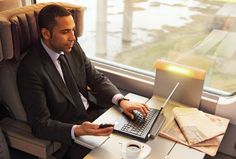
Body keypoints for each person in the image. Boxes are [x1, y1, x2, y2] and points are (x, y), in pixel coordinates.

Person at [17, 4, 148, 159]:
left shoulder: (73, 47)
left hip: (95, 114)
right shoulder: (31, 69)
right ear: (46, 33)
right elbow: (40, 124)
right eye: (65, 31)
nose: (73, 37)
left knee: (140, 139)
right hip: (71, 136)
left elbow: (96, 79)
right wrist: (78, 130)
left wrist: (122, 101)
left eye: (73, 29)